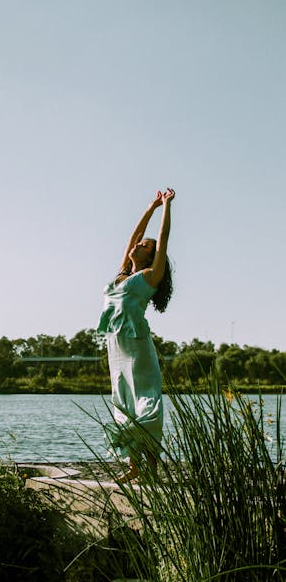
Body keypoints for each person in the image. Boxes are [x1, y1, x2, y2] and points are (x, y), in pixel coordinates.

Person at [97, 188, 175, 481]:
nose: (137, 245)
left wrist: (166, 206)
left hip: (138, 349)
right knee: (124, 402)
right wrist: (151, 206)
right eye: (139, 244)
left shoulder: (148, 277)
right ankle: (134, 467)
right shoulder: (122, 276)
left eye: (144, 246)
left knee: (146, 402)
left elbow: (163, 239)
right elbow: (133, 236)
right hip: (116, 348)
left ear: (151, 257)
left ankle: (152, 469)